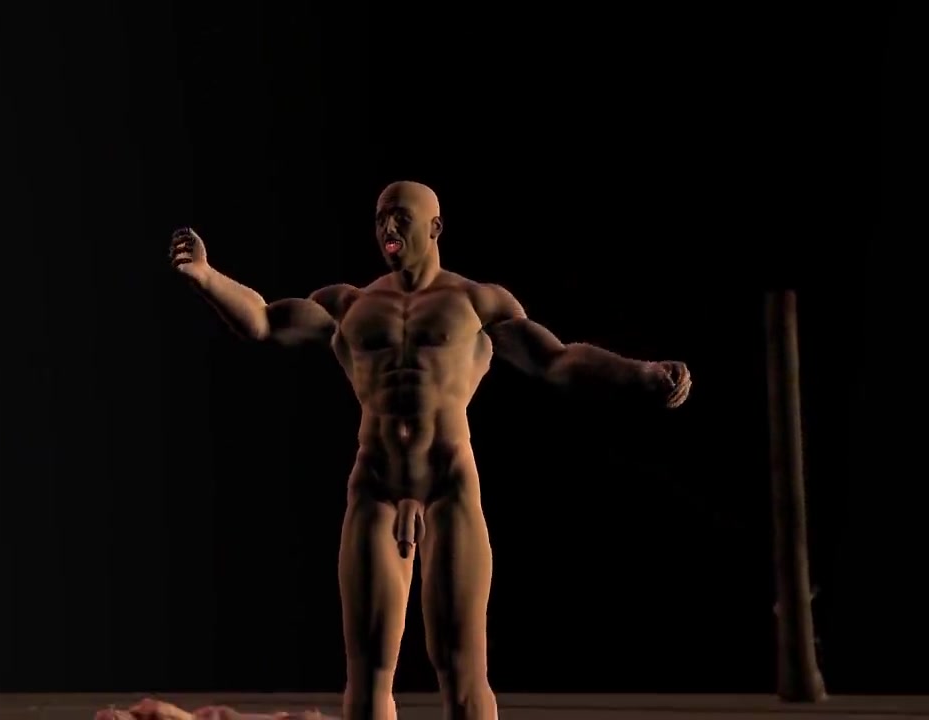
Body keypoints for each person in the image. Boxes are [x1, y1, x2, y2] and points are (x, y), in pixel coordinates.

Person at [169, 181, 691, 720]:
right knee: (368, 679)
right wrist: (206, 276)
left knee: (463, 674)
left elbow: (555, 359)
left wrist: (639, 374)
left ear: (436, 227)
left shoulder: (476, 302)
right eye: (380, 218)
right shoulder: (349, 304)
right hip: (376, 486)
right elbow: (263, 320)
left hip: (448, 484)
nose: (387, 228)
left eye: (400, 216)